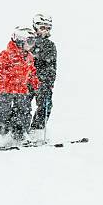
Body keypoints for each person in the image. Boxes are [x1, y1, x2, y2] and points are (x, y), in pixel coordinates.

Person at [0, 27, 39, 146]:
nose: (32, 44)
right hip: (6, 88)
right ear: (20, 41)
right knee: (3, 111)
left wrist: (36, 85)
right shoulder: (7, 54)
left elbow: (32, 72)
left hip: (22, 89)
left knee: (24, 111)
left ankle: (19, 134)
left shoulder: (29, 57)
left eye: (33, 41)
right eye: (29, 41)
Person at [28, 13, 57, 144]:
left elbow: (52, 65)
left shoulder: (51, 45)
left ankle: (37, 130)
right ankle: (18, 130)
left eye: (48, 28)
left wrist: (50, 81)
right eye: (42, 27)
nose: (45, 31)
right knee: (22, 106)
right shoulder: (28, 41)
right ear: (35, 27)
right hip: (27, 80)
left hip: (43, 81)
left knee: (46, 105)